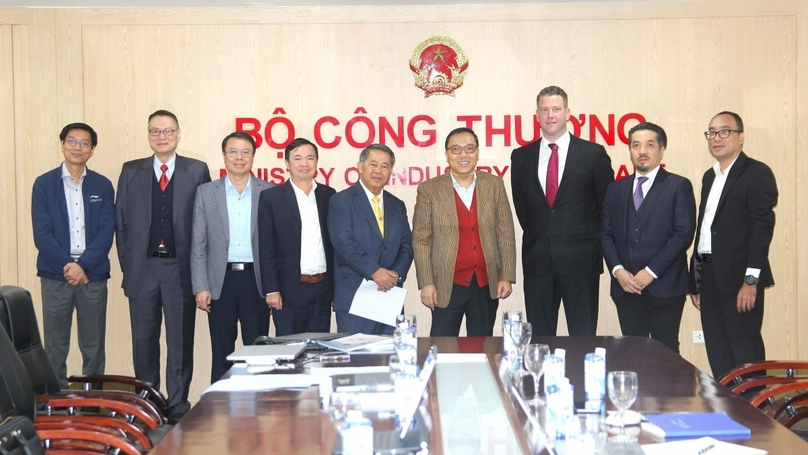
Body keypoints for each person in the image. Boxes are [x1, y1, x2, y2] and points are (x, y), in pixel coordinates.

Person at [116, 109, 211, 423]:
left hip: (179, 270)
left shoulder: (196, 170)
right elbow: (122, 224)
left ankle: (178, 404)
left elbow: (204, 225)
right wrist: (129, 268)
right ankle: (147, 402)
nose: (162, 136)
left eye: (168, 131)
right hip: (143, 269)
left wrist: (201, 277)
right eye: (155, 131)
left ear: (178, 133)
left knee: (180, 341)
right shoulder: (131, 171)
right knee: (143, 340)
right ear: (148, 135)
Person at [510, 85, 614, 336]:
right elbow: (523, 210)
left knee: (583, 337)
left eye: (556, 109)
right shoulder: (521, 157)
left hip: (581, 263)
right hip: (538, 264)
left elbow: (606, 208)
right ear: (536, 115)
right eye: (544, 110)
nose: (550, 115)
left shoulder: (593, 154)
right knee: (540, 341)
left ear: (568, 113)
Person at [689, 111, 778, 379]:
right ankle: (730, 410)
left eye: (724, 131)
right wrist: (696, 280)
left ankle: (756, 414)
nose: (717, 138)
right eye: (712, 132)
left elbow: (762, 228)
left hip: (741, 279)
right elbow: (705, 230)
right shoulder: (709, 176)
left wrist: (751, 281)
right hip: (709, 276)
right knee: (718, 350)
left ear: (741, 137)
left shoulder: (757, 173)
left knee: (745, 352)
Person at [31, 122, 115, 389]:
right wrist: (68, 266)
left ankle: (91, 409)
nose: (78, 147)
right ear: (62, 144)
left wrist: (84, 266)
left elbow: (106, 231)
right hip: (56, 276)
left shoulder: (102, 185)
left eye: (84, 143)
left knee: (93, 347)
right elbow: (42, 234)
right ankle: (57, 406)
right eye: (72, 141)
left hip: (93, 276)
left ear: (92, 150)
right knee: (55, 348)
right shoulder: (43, 184)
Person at [599, 122, 696, 353]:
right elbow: (605, 233)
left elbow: (683, 234)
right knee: (632, 352)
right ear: (630, 151)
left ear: (662, 149)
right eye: (636, 145)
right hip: (626, 288)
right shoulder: (616, 189)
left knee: (667, 351)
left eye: (649, 145)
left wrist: (650, 272)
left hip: (665, 287)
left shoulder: (678, 185)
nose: (642, 151)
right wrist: (618, 271)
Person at [412, 127, 517, 336]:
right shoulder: (429, 189)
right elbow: (421, 240)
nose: (463, 155)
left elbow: (505, 232)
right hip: (445, 284)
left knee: (482, 348)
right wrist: (426, 282)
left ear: (477, 153)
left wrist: (506, 275)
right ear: (447, 154)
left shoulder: (494, 185)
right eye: (456, 149)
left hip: (485, 283)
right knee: (441, 347)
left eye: (469, 149)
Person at [191, 132, 272, 383]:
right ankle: (219, 413)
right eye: (233, 152)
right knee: (222, 354)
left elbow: (273, 247)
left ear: (253, 157)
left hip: (256, 283)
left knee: (258, 353)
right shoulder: (206, 192)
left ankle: (259, 410)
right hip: (220, 283)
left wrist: (273, 287)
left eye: (245, 152)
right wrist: (201, 286)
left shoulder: (268, 192)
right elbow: (198, 244)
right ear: (224, 155)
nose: (239, 157)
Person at [328, 144, 413, 335]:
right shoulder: (341, 201)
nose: (378, 171)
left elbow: (406, 244)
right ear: (360, 166)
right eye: (373, 164)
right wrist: (375, 272)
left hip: (390, 295)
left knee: (390, 357)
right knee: (358, 361)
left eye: (385, 166)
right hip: (355, 297)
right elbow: (344, 243)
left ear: (391, 171)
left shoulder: (397, 204)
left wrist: (396, 274)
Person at [258, 138, 335, 336]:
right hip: (288, 291)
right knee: (288, 354)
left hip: (322, 289)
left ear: (317, 162)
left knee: (318, 352)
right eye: (297, 158)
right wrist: (272, 290)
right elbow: (266, 248)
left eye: (310, 158)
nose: (304, 164)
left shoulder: (329, 195)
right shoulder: (271, 198)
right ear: (287, 163)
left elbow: (334, 245)